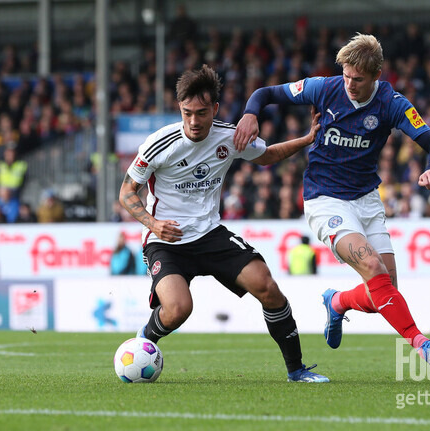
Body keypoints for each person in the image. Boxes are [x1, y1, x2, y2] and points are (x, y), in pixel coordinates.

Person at [234, 33, 430, 372]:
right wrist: (251, 113)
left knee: (386, 290)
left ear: (376, 76)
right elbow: (266, 93)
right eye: (347, 75)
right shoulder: (323, 88)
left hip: (366, 200)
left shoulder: (393, 103)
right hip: (325, 200)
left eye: (358, 79)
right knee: (373, 269)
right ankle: (420, 342)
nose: (350, 83)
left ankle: (337, 302)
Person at [119, 65, 328, 383]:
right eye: (187, 112)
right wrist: (153, 223)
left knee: (268, 288)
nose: (193, 121)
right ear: (180, 108)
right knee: (178, 310)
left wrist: (308, 139)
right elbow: (126, 192)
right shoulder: (159, 143)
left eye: (201, 112)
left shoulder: (230, 137)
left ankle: (296, 370)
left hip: (210, 234)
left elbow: (266, 156)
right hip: (167, 239)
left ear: (214, 109)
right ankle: (146, 336)